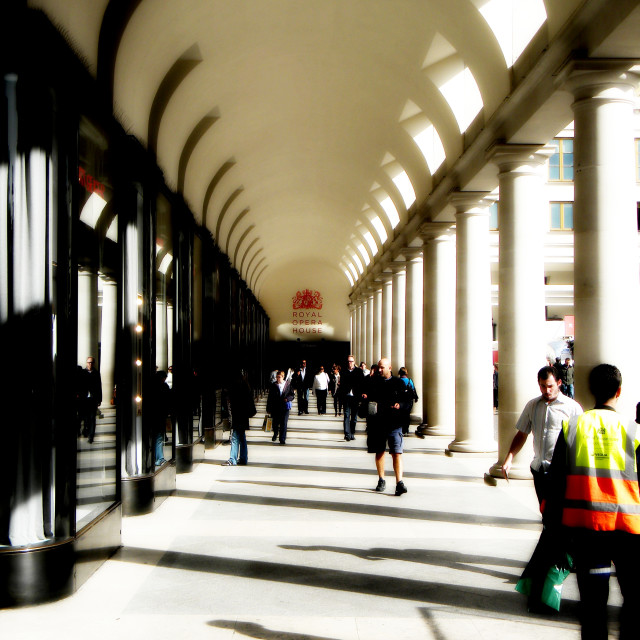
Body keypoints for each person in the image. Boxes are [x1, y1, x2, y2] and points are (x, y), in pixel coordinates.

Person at [544, 364, 640, 639]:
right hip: (629, 529)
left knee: (593, 604)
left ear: (589, 390)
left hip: (586, 527)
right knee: (633, 598)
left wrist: (554, 527)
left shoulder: (574, 427)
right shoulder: (634, 430)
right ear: (619, 391)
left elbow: (556, 480)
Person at [501, 365, 582, 506]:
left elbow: (580, 440)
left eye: (550, 386)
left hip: (561, 471)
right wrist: (509, 458)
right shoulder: (532, 405)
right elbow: (522, 433)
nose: (547, 390)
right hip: (539, 469)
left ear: (559, 383)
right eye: (542, 386)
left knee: (558, 513)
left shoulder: (572, 408)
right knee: (544, 510)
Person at [363, 358, 412, 496]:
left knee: (397, 452)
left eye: (382, 367)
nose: (379, 370)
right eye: (378, 367)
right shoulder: (373, 382)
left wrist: (400, 405)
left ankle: (399, 482)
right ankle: (381, 479)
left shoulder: (398, 383)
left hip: (394, 423)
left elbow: (407, 402)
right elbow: (368, 400)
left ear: (389, 368)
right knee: (380, 452)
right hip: (378, 424)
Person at [223, 370, 256, 465]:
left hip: (238, 415)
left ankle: (232, 459)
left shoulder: (236, 387)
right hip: (244, 416)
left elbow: (232, 401)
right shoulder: (246, 386)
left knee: (235, 437)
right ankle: (243, 458)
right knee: (242, 437)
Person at [339, 355, 364, 441]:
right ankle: (347, 434)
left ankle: (352, 432)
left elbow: (361, 384)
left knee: (354, 417)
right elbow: (341, 384)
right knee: (346, 415)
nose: (350, 363)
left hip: (355, 397)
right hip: (346, 396)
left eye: (351, 361)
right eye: (349, 361)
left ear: (354, 362)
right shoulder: (343, 371)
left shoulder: (359, 371)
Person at [266, 370, 295, 445]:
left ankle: (282, 438)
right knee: (275, 422)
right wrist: (268, 408)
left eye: (279, 377)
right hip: (275, 407)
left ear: (283, 377)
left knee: (284, 423)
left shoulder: (288, 384)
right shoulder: (273, 385)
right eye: (277, 377)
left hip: (285, 407)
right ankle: (275, 433)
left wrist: (287, 399)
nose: (278, 379)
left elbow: (292, 395)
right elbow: (270, 397)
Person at [151, 370, 171, 466]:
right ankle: (159, 458)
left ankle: (158, 457)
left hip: (155, 415)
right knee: (158, 437)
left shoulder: (152, 387)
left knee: (157, 437)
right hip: (160, 415)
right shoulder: (164, 387)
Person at [81, 356, 102, 444]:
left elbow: (99, 387)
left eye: (92, 363)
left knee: (92, 417)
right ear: (86, 363)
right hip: (85, 399)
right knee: (86, 417)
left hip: (93, 399)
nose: (90, 364)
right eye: (89, 362)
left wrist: (99, 399)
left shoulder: (96, 373)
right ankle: (86, 430)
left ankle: (91, 435)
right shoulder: (83, 373)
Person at [397, 366, 418, 435]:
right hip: (409, 400)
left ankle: (402, 429)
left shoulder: (398, 381)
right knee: (407, 414)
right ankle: (406, 429)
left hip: (401, 400)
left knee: (401, 414)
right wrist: (416, 397)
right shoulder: (409, 380)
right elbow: (413, 389)